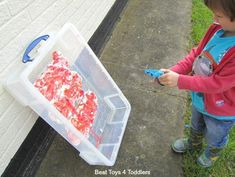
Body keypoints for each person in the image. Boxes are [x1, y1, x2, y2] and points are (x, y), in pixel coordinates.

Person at [157, 0, 235, 168]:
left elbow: (217, 84)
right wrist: (175, 71)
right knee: (196, 123)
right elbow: (196, 54)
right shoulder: (217, 28)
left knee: (215, 134)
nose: (214, 18)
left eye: (219, 15)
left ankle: (212, 152)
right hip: (201, 98)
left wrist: (180, 81)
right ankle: (193, 142)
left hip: (222, 109)